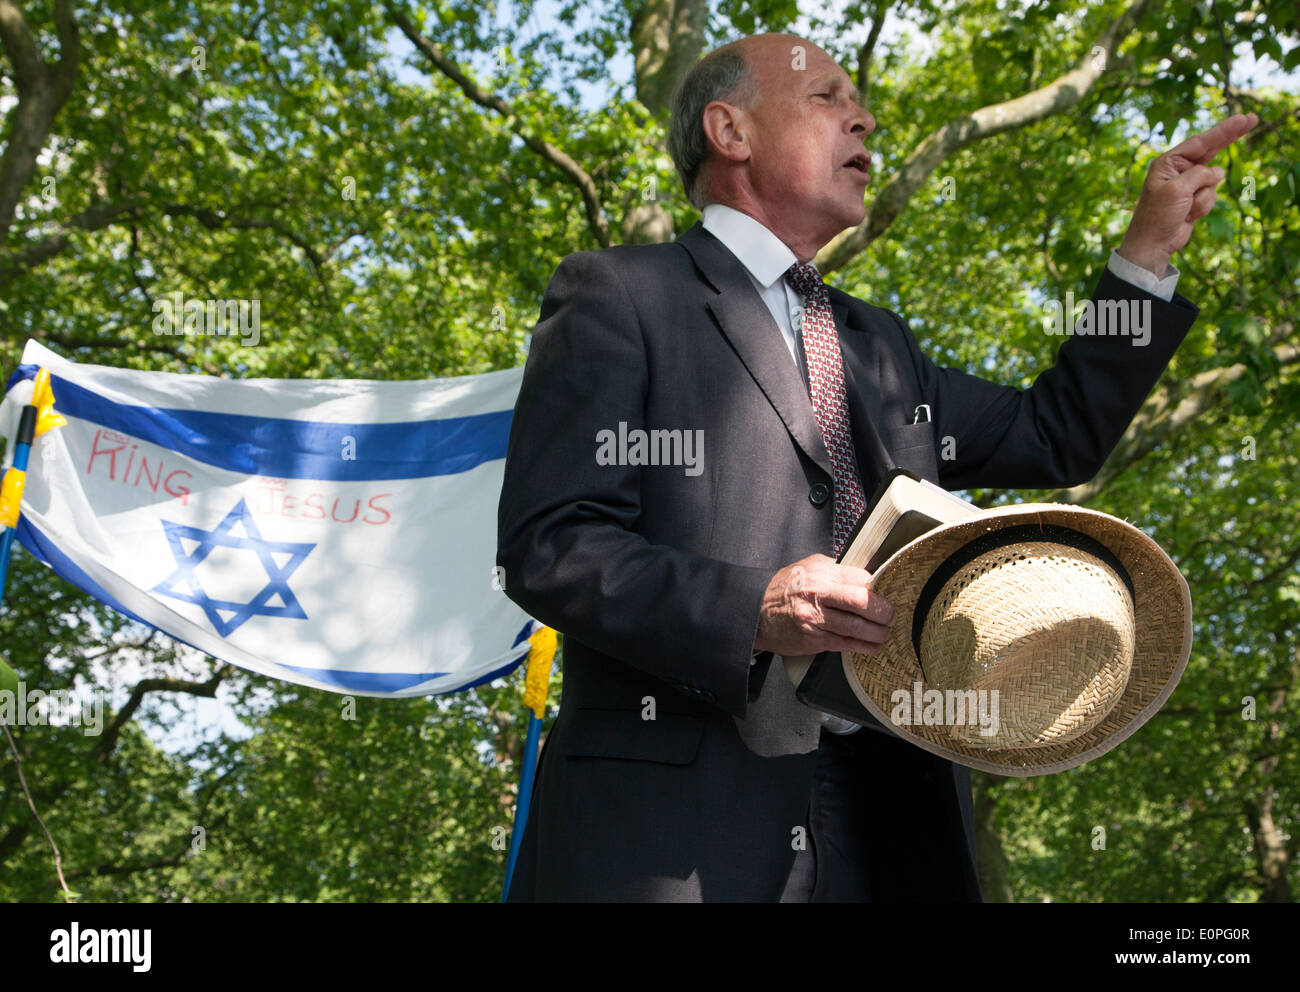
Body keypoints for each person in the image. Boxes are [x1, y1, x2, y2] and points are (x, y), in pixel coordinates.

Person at [496, 32, 1256, 901]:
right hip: (678, 837)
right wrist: (756, 608)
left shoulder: (883, 344)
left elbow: (1057, 435)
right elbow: (550, 546)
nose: (864, 118)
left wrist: (1146, 257)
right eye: (827, 97)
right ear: (729, 131)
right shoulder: (617, 294)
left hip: (894, 825)